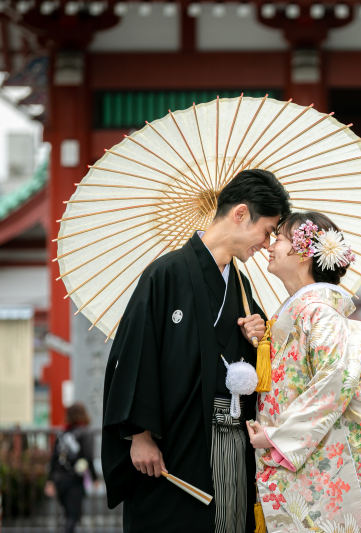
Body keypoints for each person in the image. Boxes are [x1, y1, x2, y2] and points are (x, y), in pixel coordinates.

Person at [101, 169, 289, 533]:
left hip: (231, 437)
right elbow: (136, 354)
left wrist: (257, 337)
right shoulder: (165, 274)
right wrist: (139, 435)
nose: (267, 244)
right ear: (239, 214)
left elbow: (249, 368)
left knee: (230, 520)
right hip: (176, 437)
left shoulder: (240, 284)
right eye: (266, 231)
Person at [246, 211, 361, 533]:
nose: (270, 245)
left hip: (302, 456)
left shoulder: (319, 314)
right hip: (297, 456)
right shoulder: (306, 312)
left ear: (303, 253)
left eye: (278, 238)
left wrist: (278, 437)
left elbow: (333, 383)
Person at [45, 403, 98, 533]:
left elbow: (53, 458)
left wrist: (50, 480)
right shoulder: (85, 432)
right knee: (74, 516)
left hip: (59, 480)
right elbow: (88, 457)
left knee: (69, 514)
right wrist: (94, 478)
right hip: (73, 479)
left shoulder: (62, 433)